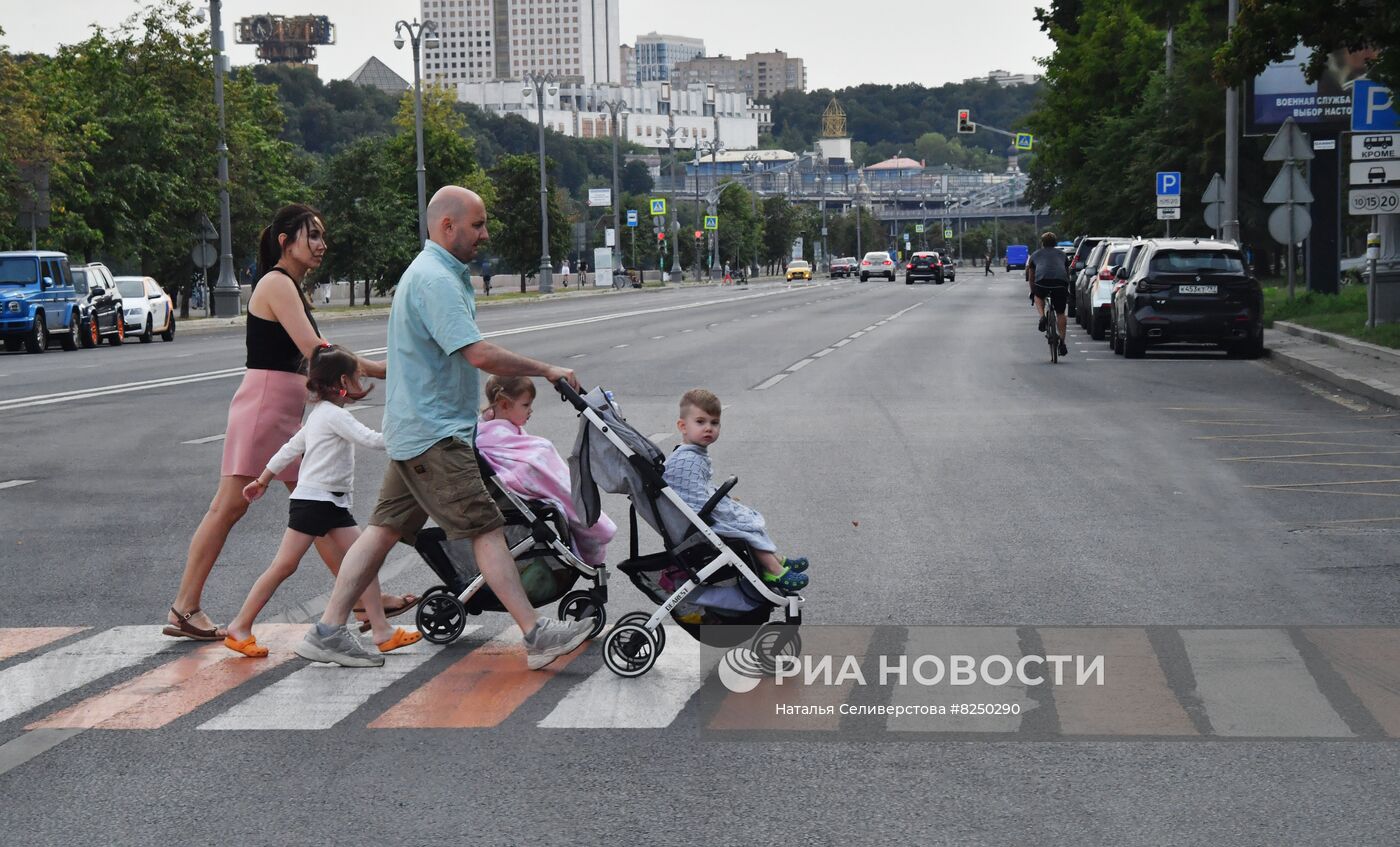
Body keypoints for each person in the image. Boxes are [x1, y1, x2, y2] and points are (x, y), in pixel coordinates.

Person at [295, 186, 594, 669]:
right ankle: (536, 635)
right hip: (434, 435)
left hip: (417, 431)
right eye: (477, 224)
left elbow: (414, 358)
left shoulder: (432, 274)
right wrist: (546, 369)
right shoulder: (435, 280)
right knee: (486, 527)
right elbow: (475, 353)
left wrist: (366, 369)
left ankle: (328, 630)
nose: (485, 233)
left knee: (382, 532)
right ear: (446, 226)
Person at [164, 204, 406, 642]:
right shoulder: (277, 284)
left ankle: (360, 600)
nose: (321, 244)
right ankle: (185, 606)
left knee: (320, 510)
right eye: (311, 235)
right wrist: (380, 370)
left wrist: (372, 370)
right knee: (230, 506)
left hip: (283, 409)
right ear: (284, 241)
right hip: (265, 407)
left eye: (322, 235)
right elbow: (316, 351)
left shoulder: (289, 286)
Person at [225, 344, 421, 657]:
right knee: (285, 566)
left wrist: (262, 479)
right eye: (356, 377)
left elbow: (290, 448)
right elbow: (371, 440)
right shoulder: (332, 416)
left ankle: (382, 632)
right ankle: (239, 626)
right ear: (343, 382)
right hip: (316, 502)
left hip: (329, 502)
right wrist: (412, 436)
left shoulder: (321, 415)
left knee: (364, 561)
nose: (359, 382)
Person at [663, 388, 810, 591]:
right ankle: (773, 570)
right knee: (744, 525)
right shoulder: (687, 460)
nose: (708, 428)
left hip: (696, 517)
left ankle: (777, 560)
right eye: (700, 422)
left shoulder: (691, 453)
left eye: (714, 423)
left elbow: (699, 490)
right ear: (682, 426)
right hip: (695, 523)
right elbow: (694, 499)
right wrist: (724, 508)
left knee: (742, 516)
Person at [476, 375, 617, 566]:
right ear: (504, 404)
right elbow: (521, 465)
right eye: (525, 405)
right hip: (525, 480)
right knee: (544, 454)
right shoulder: (491, 436)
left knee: (543, 451)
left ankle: (590, 522)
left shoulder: (491, 429)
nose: (530, 410)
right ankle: (593, 526)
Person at [1027, 231, 1071, 357]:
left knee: (1038, 296)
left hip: (1042, 282)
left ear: (1042, 243)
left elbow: (1031, 276)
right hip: (1060, 283)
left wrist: (1032, 291)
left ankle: (1042, 316)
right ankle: (1062, 341)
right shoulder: (1062, 255)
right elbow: (1066, 274)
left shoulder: (1035, 255)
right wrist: (1065, 288)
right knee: (1061, 312)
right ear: (1055, 243)